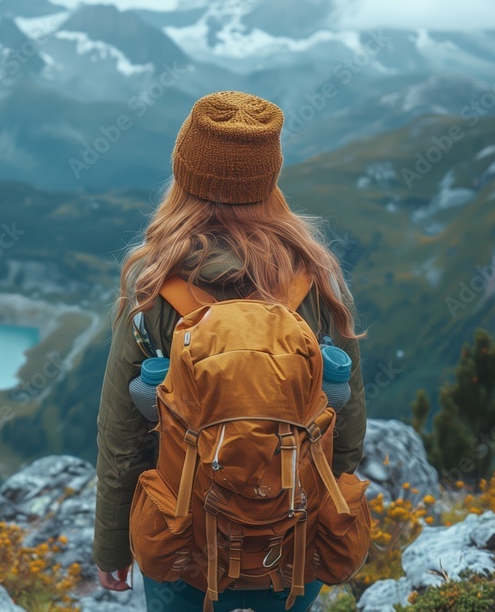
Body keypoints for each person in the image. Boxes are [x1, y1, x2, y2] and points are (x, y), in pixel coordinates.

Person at [93, 91, 367, 611]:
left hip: (184, 535)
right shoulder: (318, 280)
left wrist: (111, 545)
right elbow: (347, 420)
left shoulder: (153, 289)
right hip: (294, 533)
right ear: (270, 179)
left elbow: (123, 438)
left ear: (184, 175)